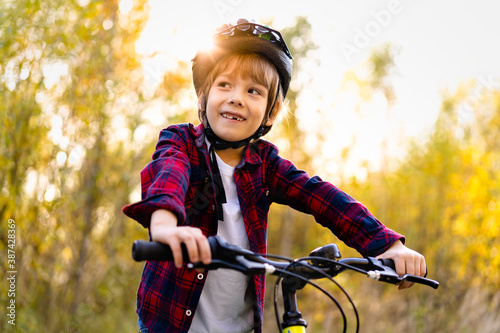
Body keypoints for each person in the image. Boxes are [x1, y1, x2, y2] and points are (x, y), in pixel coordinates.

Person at [123, 18, 426, 333]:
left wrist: (387, 246)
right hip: (170, 323)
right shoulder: (182, 142)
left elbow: (321, 197)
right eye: (224, 84)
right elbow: (168, 173)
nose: (236, 97)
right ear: (203, 96)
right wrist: (165, 228)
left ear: (271, 112)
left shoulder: (265, 165)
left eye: (253, 91)